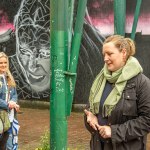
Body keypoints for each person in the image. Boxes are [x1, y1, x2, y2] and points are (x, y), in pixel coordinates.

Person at [84, 35, 150, 150]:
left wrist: (114, 132)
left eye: (109, 54)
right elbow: (89, 110)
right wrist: (90, 119)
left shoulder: (141, 83)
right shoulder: (100, 80)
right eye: (104, 54)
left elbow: (147, 120)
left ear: (123, 53)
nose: (105, 58)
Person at [0, 52, 20, 150]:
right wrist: (8, 104)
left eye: (5, 62)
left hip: (10, 118)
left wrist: (13, 102)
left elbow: (14, 94)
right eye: (1, 63)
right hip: (1, 118)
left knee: (8, 144)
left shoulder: (9, 77)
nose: (3, 65)